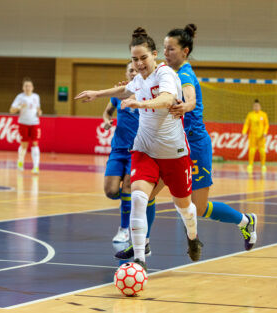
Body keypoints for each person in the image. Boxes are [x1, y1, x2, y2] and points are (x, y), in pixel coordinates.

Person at [115, 24, 258, 260]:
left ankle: (245, 221)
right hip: (167, 146)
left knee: (198, 208)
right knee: (145, 194)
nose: (166, 53)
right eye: (164, 48)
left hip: (193, 145)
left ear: (185, 51)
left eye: (171, 49)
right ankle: (143, 244)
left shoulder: (184, 74)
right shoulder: (162, 74)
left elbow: (189, 97)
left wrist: (187, 105)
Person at [75, 27, 202, 271]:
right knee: (138, 198)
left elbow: (166, 100)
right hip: (144, 149)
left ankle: (193, 237)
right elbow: (125, 89)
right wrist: (97, 93)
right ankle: (140, 260)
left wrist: (139, 103)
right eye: (135, 59)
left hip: (174, 153)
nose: (140, 63)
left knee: (184, 208)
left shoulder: (165, 74)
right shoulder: (139, 79)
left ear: (155, 55)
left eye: (144, 57)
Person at [103, 62, 156, 247]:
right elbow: (107, 112)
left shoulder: (147, 93)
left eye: (136, 69)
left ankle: (124, 229)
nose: (134, 72)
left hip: (137, 150)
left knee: (127, 187)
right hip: (118, 149)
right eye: (130, 70)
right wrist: (107, 121)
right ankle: (128, 204)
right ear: (126, 74)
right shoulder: (119, 93)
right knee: (110, 191)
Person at [9, 77, 42, 174]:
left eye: (29, 86)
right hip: (23, 122)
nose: (28, 88)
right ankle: (20, 161)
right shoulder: (20, 97)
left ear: (33, 87)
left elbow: (38, 108)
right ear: (23, 88)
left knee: (35, 143)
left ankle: (36, 167)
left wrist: (39, 111)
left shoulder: (36, 96)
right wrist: (20, 107)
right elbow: (11, 110)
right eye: (26, 86)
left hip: (34, 122)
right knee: (24, 145)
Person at [242, 99, 269, 174]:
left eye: (257, 106)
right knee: (252, 151)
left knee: (262, 151)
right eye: (255, 106)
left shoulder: (263, 115)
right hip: (252, 136)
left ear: (260, 106)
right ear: (253, 107)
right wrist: (244, 131)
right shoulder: (250, 115)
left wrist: (265, 132)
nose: (256, 107)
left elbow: (266, 125)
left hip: (261, 137)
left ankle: (263, 165)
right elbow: (247, 124)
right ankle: (250, 164)